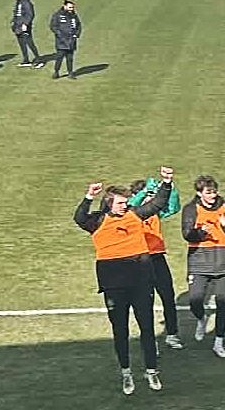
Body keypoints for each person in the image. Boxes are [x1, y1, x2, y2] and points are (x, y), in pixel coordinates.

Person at [72, 167, 175, 395]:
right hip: (114, 285)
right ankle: (126, 372)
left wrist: (167, 182)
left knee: (147, 328)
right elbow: (79, 218)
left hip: (141, 282)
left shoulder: (135, 215)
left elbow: (157, 204)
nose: (124, 206)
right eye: (120, 203)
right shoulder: (97, 221)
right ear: (109, 203)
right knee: (120, 330)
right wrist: (89, 196)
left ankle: (151, 371)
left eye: (126, 202)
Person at [181, 175, 225, 359]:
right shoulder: (190, 209)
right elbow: (187, 234)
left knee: (222, 302)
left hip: (222, 260)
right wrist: (200, 232)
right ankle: (201, 318)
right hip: (199, 260)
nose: (212, 196)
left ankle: (219, 341)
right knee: (195, 300)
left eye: (214, 192)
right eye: (208, 192)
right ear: (199, 193)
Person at [127, 176, 183, 350]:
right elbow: (130, 204)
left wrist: (169, 186)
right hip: (139, 260)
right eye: (148, 195)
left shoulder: (155, 212)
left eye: (152, 196)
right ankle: (150, 340)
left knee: (168, 296)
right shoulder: (129, 214)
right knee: (146, 302)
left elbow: (174, 207)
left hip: (157, 258)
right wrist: (144, 192)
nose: (150, 199)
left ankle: (172, 334)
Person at [49, 0, 81, 79]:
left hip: (71, 41)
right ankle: (56, 72)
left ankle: (70, 73)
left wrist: (76, 35)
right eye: (70, 7)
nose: (71, 9)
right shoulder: (57, 15)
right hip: (61, 41)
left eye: (72, 7)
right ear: (65, 6)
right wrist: (59, 34)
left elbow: (78, 25)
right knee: (59, 58)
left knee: (70, 58)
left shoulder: (74, 16)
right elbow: (53, 26)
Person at [11, 0, 41, 68]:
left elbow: (30, 14)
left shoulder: (26, 2)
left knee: (29, 43)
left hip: (24, 26)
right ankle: (26, 60)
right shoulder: (19, 1)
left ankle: (38, 60)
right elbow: (17, 13)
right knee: (22, 43)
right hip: (17, 26)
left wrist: (25, 24)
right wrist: (13, 22)